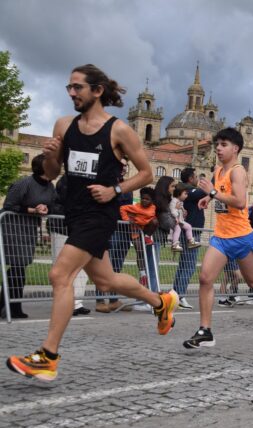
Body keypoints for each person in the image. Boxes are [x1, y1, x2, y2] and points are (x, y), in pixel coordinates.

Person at [6, 64, 178, 381]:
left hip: (100, 215)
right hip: (74, 212)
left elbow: (146, 174)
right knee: (106, 281)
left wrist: (115, 189)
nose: (72, 93)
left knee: (60, 274)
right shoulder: (64, 125)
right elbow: (55, 171)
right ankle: (161, 302)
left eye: (78, 87)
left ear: (96, 91)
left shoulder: (118, 131)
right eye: (69, 87)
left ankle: (47, 357)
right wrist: (53, 154)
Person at [183, 128, 253, 348]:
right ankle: (205, 330)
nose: (218, 148)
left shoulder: (238, 171)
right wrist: (208, 200)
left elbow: (240, 201)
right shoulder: (219, 170)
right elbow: (221, 194)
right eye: (217, 144)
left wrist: (212, 193)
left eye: (224, 145)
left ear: (236, 148)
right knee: (205, 278)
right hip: (221, 236)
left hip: (241, 236)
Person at [0, 154, 58, 319]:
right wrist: (33, 210)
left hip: (29, 229)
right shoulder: (24, 183)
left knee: (20, 266)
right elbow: (9, 205)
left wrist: (45, 209)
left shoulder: (50, 186)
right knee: (18, 266)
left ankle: (7, 305)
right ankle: (12, 307)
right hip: (12, 227)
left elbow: (52, 204)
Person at [94, 159, 134, 313]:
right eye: (121, 165)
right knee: (104, 266)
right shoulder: (106, 183)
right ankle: (99, 300)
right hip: (110, 228)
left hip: (124, 231)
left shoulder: (126, 184)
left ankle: (113, 299)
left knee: (117, 267)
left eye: (125, 166)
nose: (123, 168)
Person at [172, 167, 207, 310]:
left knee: (184, 265)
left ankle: (175, 295)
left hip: (189, 231)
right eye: (196, 176)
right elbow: (204, 191)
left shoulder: (186, 190)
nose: (198, 179)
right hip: (190, 233)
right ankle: (179, 296)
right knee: (189, 266)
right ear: (191, 179)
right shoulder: (188, 191)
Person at [120, 187, 158, 285]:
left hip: (144, 229)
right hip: (135, 229)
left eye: (147, 199)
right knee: (140, 250)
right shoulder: (136, 207)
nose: (144, 201)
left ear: (152, 201)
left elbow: (152, 219)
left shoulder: (153, 208)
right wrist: (127, 219)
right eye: (143, 198)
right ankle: (143, 275)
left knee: (155, 221)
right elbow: (122, 208)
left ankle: (147, 236)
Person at [169, 184, 200, 252]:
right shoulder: (174, 201)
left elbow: (180, 211)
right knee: (178, 229)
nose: (187, 196)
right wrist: (176, 214)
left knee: (189, 226)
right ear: (179, 193)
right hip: (175, 220)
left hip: (180, 220)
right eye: (185, 194)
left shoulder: (180, 202)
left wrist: (183, 213)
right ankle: (174, 245)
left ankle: (191, 241)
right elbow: (172, 211)